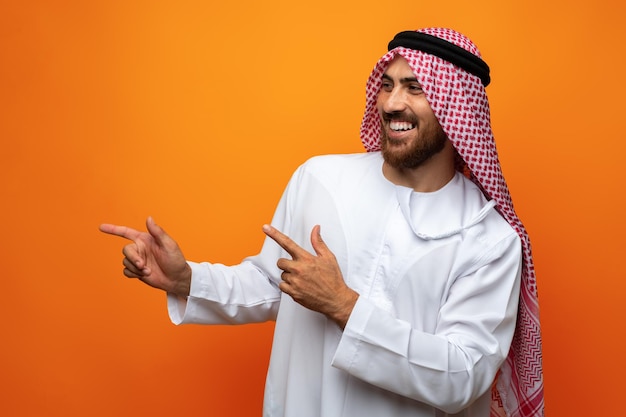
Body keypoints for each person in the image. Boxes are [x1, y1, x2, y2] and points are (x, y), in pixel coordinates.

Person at [100, 27, 544, 417]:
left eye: (415, 88)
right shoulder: (321, 178)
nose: (392, 103)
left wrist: (344, 306)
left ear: (456, 107)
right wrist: (186, 280)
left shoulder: (488, 239)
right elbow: (273, 285)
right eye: (387, 85)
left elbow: (462, 375)